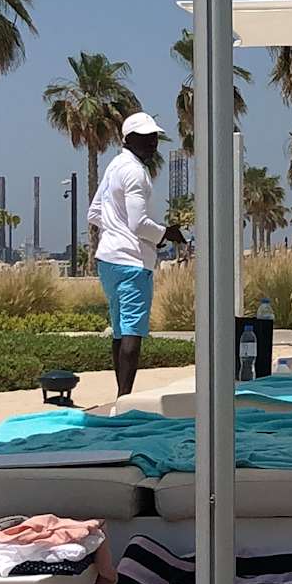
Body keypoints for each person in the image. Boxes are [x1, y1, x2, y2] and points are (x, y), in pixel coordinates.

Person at [87, 113, 184, 399]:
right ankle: (125, 397)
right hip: (132, 261)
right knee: (133, 331)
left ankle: (121, 396)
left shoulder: (114, 166)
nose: (153, 143)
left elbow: (94, 213)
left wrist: (115, 230)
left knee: (120, 330)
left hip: (108, 259)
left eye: (154, 137)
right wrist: (166, 233)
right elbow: (139, 223)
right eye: (145, 138)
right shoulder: (136, 172)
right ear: (128, 139)